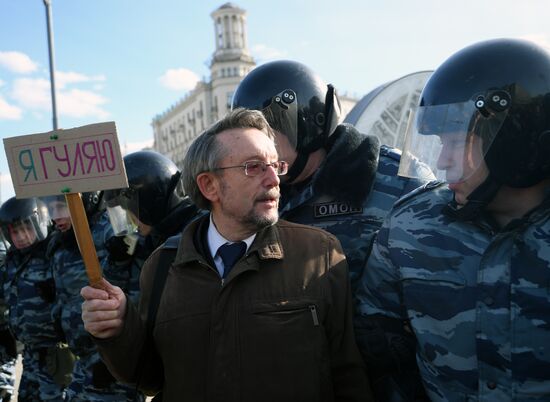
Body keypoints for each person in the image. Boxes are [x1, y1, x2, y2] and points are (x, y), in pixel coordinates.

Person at [81, 108, 372, 402]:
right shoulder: (162, 266)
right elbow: (150, 378)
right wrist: (118, 329)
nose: (274, 180)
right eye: (254, 167)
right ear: (209, 185)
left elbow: (348, 376)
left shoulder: (320, 253)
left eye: (276, 165)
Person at [354, 38, 550, 401]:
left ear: (514, 139)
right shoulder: (409, 226)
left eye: (456, 143)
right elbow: (375, 333)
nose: (442, 162)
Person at [231, 60, 430, 292]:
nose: (256, 152)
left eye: (267, 137)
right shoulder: (247, 190)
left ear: (308, 125)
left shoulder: (400, 181)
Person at [44, 192, 143, 402]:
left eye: (61, 207)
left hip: (113, 361)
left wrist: (117, 359)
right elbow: (65, 293)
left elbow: (136, 288)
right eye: (51, 209)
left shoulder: (110, 228)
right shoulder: (60, 242)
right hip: (82, 359)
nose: (56, 216)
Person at [0, 197, 65, 401]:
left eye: (25, 228)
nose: (20, 236)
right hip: (30, 355)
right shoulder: (12, 261)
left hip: (57, 357)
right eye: (14, 231)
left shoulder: (54, 254)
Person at [103, 150, 202, 262]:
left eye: (131, 211)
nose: (130, 221)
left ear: (151, 203)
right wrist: (120, 261)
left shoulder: (195, 236)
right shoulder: (155, 238)